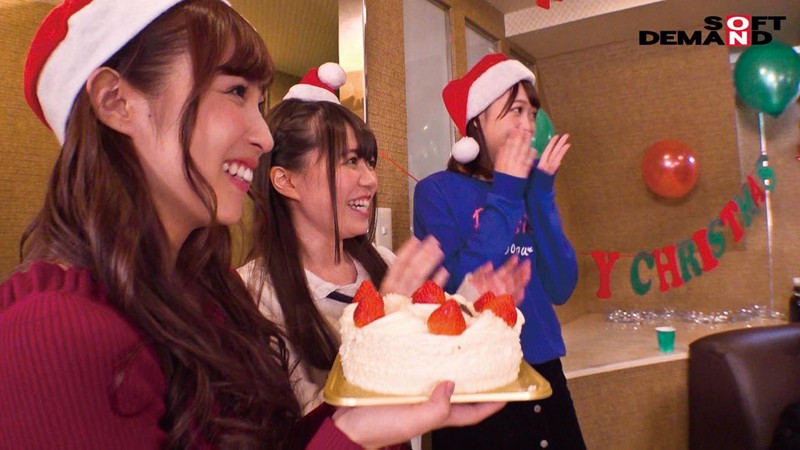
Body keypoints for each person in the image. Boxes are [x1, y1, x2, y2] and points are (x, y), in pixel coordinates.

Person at [0, 2, 503, 448]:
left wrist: (361, 412)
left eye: (259, 102)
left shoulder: (207, 296)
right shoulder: (50, 335)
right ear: (117, 102)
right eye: (235, 91)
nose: (263, 136)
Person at [238, 64, 531, 419]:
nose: (371, 180)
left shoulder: (384, 262)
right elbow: (289, 433)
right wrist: (380, 328)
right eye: (350, 161)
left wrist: (470, 303)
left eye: (370, 162)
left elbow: (430, 364)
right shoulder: (251, 297)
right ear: (286, 181)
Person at [413, 53, 586, 449]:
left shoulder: (530, 191)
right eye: (515, 111)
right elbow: (458, 292)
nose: (529, 125)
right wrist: (506, 192)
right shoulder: (436, 191)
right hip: (473, 380)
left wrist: (540, 195)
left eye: (533, 113)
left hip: (543, 369)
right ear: (477, 123)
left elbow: (562, 286)